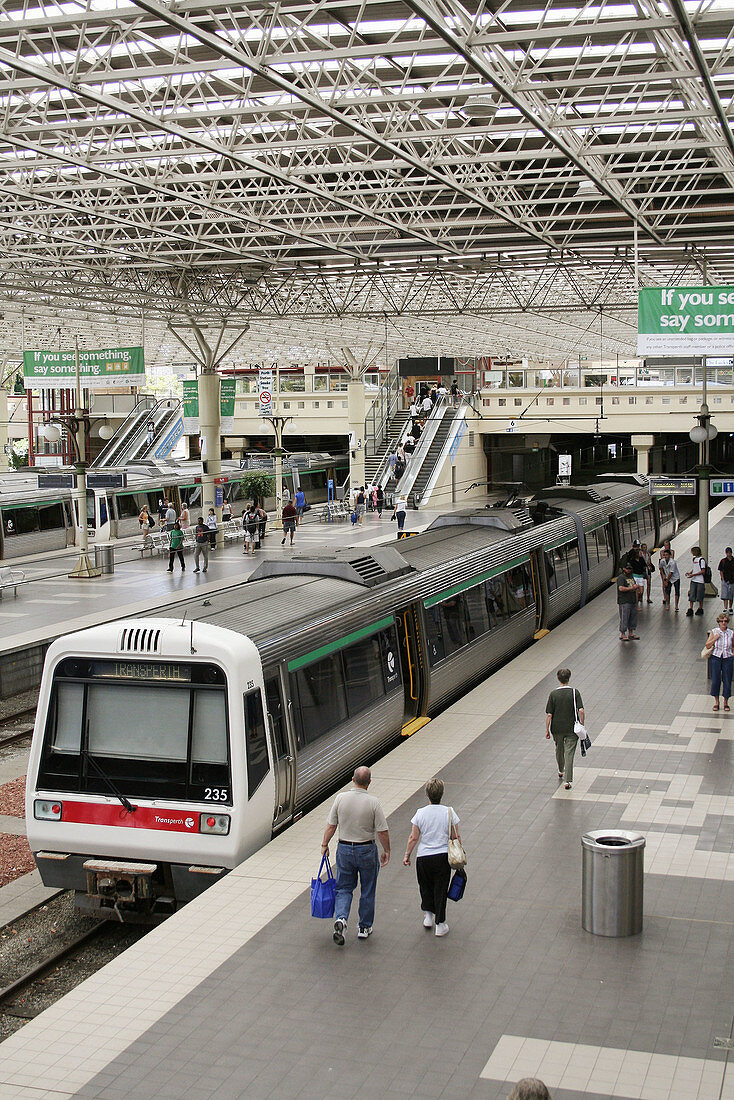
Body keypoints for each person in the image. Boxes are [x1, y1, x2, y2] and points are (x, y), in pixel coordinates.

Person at [321, 765, 390, 945]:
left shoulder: (340, 798)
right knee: (367, 889)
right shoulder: (374, 802)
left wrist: (324, 844)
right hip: (367, 849)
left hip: (344, 849)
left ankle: (342, 919)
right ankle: (364, 927)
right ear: (369, 782)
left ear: (353, 780)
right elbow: (382, 831)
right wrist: (387, 850)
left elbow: (331, 825)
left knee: (343, 888)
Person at [403, 777, 461, 938]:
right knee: (440, 889)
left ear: (427, 795)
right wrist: (460, 853)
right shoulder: (449, 812)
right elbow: (455, 836)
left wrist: (407, 854)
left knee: (425, 886)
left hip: (423, 857)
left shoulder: (420, 813)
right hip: (442, 857)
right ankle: (440, 924)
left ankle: (428, 916)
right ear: (441, 794)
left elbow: (413, 838)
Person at [545, 668, 584, 790]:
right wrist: (582, 724)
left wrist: (547, 729)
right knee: (569, 753)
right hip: (572, 728)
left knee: (559, 749)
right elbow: (581, 710)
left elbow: (549, 714)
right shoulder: (574, 692)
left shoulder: (553, 694)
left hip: (557, 728)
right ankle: (567, 781)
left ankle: (561, 769)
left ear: (558, 678)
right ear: (569, 678)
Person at [705, 612, 733, 712]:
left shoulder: (731, 633)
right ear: (719, 622)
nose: (724, 623)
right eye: (722, 621)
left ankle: (726, 702)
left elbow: (733, 645)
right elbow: (707, 645)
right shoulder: (714, 632)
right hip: (716, 657)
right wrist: (715, 638)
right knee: (716, 679)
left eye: (725, 621)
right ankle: (716, 702)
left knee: (727, 679)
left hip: (728, 658)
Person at [617, 562, 639, 641]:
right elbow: (621, 588)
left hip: (632, 600)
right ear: (624, 569)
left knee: (633, 617)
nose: (629, 570)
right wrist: (632, 588)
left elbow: (634, 586)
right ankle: (623, 634)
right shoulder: (621, 578)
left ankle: (631, 633)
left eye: (630, 569)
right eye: (627, 568)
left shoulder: (631, 576)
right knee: (624, 617)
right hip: (624, 601)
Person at [686, 545, 706, 616]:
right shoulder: (694, 559)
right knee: (692, 594)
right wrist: (691, 573)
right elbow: (695, 568)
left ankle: (700, 608)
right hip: (694, 580)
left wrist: (693, 575)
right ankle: (691, 608)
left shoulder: (702, 560)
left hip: (700, 581)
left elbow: (703, 570)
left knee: (700, 595)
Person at [719, 546, 734, 612]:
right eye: (727, 553)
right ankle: (725, 608)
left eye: (730, 553)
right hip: (725, 580)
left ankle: (730, 608)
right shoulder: (723, 561)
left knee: (731, 595)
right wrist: (722, 578)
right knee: (725, 595)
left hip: (732, 580)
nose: (729, 554)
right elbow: (721, 570)